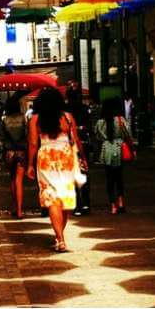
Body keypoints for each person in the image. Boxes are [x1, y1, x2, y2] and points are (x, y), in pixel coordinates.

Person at [27, 87, 86, 252]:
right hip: (66, 157)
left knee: (52, 198)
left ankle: (60, 239)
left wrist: (30, 165)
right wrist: (83, 159)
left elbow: (32, 144)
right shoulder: (67, 117)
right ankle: (59, 236)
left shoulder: (35, 119)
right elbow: (76, 141)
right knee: (64, 198)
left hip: (46, 157)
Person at [96, 98, 134, 215]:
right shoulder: (121, 120)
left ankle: (113, 205)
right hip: (119, 149)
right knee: (119, 178)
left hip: (107, 149)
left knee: (110, 179)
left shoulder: (100, 123)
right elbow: (128, 135)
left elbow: (98, 137)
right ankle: (121, 202)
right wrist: (132, 149)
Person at [0, 96, 28, 219]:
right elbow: (27, 136)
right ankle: (19, 210)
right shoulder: (23, 119)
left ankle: (14, 206)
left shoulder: (4, 120)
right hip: (21, 152)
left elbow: (1, 140)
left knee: (12, 179)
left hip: (9, 153)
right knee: (19, 180)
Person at [66, 81, 91, 216]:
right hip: (83, 142)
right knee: (84, 172)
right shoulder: (84, 109)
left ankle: (76, 204)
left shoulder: (65, 111)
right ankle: (86, 203)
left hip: (69, 145)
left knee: (71, 175)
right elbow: (89, 126)